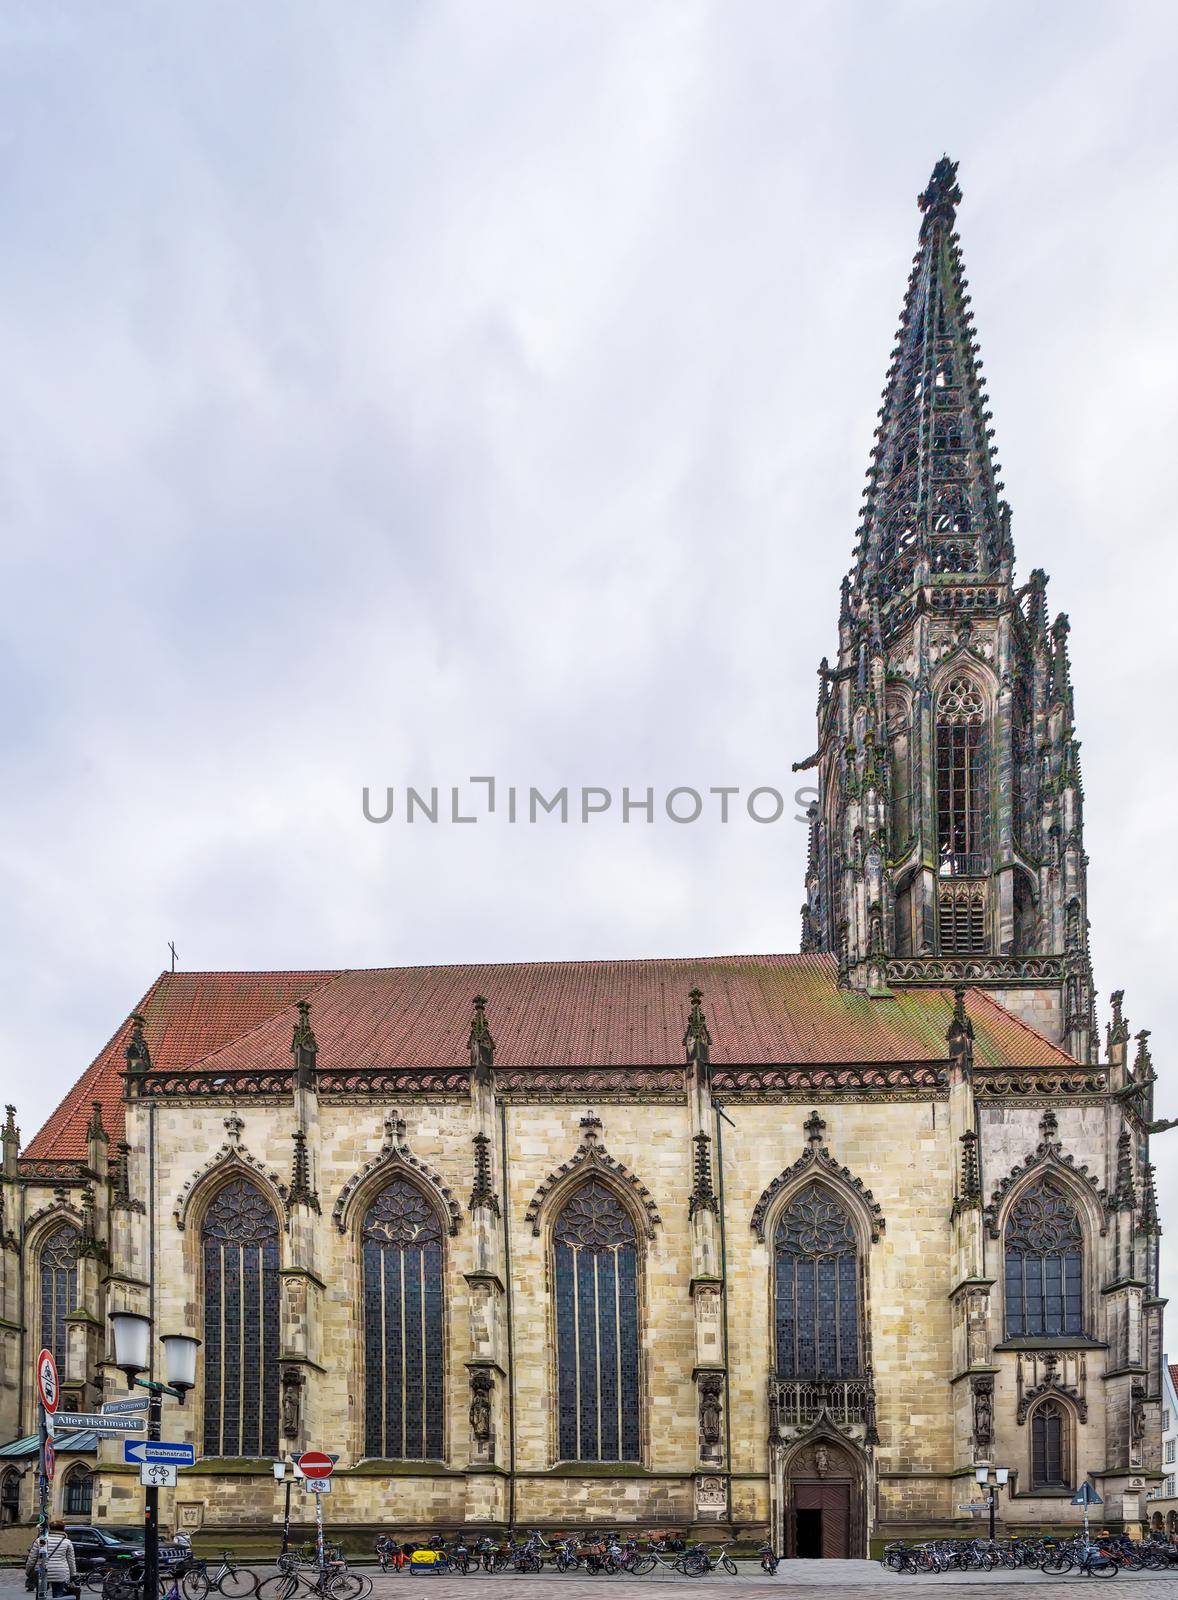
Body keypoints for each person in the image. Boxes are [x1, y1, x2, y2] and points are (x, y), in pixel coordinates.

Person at [25, 1521, 78, 1599]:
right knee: (58, 1595)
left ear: (50, 1528)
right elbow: (71, 1561)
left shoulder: (40, 1540)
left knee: (41, 1595)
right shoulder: (67, 1542)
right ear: (63, 1529)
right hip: (60, 1572)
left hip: (42, 1571)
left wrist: (28, 1571)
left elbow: (32, 1558)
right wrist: (73, 1575)